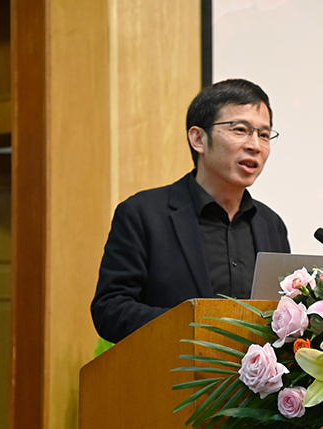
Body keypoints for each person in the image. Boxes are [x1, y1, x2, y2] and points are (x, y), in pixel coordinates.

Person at [91, 79, 290, 343]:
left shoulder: (271, 225)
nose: (255, 145)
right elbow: (110, 310)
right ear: (198, 139)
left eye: (264, 135)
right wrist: (198, 326)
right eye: (240, 130)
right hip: (171, 366)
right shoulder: (143, 215)